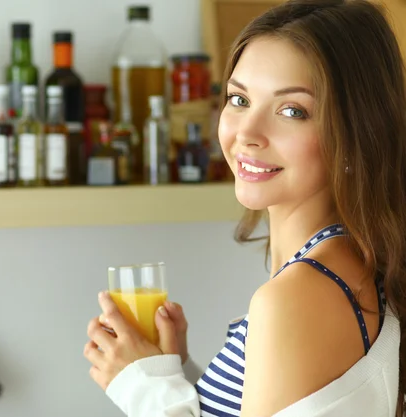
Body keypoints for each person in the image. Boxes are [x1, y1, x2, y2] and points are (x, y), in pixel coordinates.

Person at [83, 0, 406, 416]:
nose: (247, 133)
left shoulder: (301, 294)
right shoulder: (348, 265)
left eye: (292, 111)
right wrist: (175, 369)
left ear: (358, 132)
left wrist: (144, 388)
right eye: (238, 100)